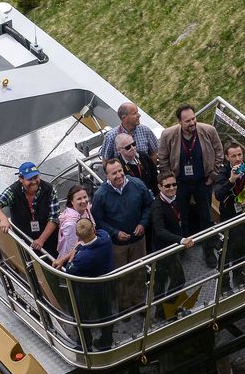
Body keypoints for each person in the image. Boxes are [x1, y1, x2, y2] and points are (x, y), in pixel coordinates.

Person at [156, 104, 225, 263]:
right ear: (179, 122)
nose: (192, 123)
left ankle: (208, 252)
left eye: (193, 118)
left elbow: (219, 153)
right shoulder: (168, 135)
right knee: (181, 217)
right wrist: (171, 182)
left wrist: (213, 175)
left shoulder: (208, 131)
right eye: (187, 121)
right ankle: (182, 249)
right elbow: (163, 159)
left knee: (206, 217)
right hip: (180, 184)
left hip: (203, 182)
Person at [90, 156, 152, 309]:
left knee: (139, 272)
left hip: (138, 241)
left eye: (120, 170)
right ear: (107, 176)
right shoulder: (101, 195)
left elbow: (149, 206)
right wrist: (115, 233)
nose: (118, 175)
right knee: (121, 276)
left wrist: (143, 223)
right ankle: (124, 305)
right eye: (113, 173)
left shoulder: (137, 184)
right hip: (117, 245)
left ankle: (139, 303)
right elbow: (97, 220)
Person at [213, 144, 245, 287]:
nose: (238, 159)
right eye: (234, 156)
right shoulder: (224, 173)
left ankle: (238, 275)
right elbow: (218, 195)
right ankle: (223, 281)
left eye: (240, 155)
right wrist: (231, 180)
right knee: (227, 250)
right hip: (230, 218)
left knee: (241, 247)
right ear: (227, 157)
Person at [147, 170, 195, 318]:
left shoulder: (175, 198)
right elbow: (160, 230)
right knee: (179, 279)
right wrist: (181, 240)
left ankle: (161, 311)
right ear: (160, 187)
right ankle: (167, 310)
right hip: (164, 249)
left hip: (172, 245)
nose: (172, 188)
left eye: (174, 184)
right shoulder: (158, 207)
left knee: (161, 280)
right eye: (167, 186)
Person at [65, 217, 115, 350]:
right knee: (106, 312)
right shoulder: (105, 238)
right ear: (93, 228)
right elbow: (100, 233)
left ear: (77, 236)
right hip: (105, 283)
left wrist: (74, 252)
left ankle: (85, 344)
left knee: (82, 316)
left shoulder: (82, 258)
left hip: (86, 288)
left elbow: (69, 270)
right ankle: (106, 341)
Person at [0, 160, 56, 258]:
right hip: (23, 237)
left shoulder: (49, 189)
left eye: (36, 177)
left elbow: (53, 218)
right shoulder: (13, 190)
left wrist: (41, 240)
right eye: (29, 179)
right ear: (21, 179)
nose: (34, 182)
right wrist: (3, 219)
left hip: (47, 238)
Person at [105, 102, 159, 173]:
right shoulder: (111, 137)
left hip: (146, 175)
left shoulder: (145, 130)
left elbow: (154, 154)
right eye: (134, 113)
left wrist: (151, 172)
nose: (139, 115)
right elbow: (106, 161)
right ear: (124, 118)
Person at [54, 184, 93, 266]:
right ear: (72, 202)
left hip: (85, 251)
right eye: (79, 199)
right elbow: (72, 249)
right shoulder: (71, 224)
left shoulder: (86, 209)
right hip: (73, 259)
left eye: (85, 197)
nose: (84, 201)